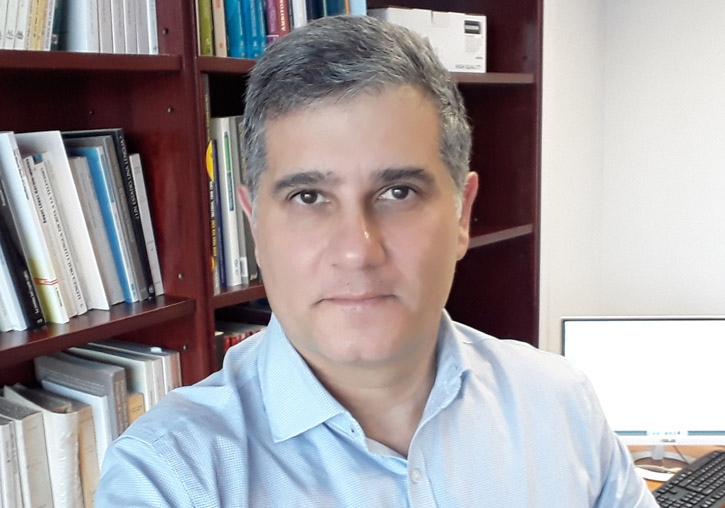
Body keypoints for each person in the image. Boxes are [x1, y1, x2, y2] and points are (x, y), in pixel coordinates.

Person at [95, 15, 657, 507]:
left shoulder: (560, 403)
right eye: (308, 197)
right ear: (256, 226)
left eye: (398, 192)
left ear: (462, 215)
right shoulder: (168, 477)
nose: (357, 251)